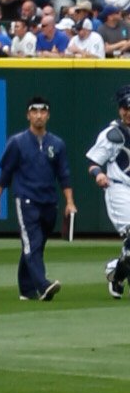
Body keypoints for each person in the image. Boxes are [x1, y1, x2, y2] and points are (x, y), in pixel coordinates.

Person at [0, 98, 68, 302]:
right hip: (26, 199)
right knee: (32, 243)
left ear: (48, 115)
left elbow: (64, 175)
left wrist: (70, 201)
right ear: (28, 115)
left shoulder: (57, 144)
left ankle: (26, 289)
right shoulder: (17, 142)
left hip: (49, 201)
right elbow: (6, 172)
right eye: (34, 111)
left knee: (36, 244)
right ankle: (43, 285)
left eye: (43, 112)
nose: (39, 115)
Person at [87, 93, 130, 300]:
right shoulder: (113, 134)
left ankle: (118, 271)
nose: (128, 112)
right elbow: (94, 163)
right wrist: (99, 174)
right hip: (120, 188)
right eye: (125, 108)